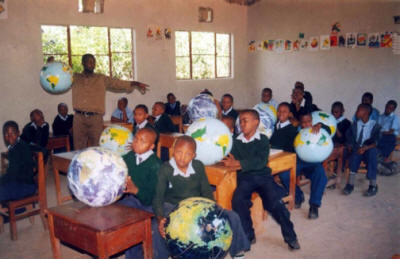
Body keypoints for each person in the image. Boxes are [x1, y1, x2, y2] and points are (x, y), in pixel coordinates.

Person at [153, 136, 251, 259]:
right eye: (179, 152)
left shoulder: (198, 166)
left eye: (187, 154)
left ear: (194, 155)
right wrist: (160, 218)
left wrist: (214, 210)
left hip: (197, 206)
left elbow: (206, 191)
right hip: (173, 206)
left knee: (232, 216)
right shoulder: (166, 168)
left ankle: (238, 252)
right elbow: (158, 197)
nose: (182, 157)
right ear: (173, 151)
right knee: (160, 227)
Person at [222, 109, 300, 250]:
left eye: (245, 120)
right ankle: (248, 235)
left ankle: (291, 236)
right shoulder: (235, 141)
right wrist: (234, 162)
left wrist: (238, 163)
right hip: (244, 178)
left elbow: (261, 161)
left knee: (275, 204)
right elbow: (232, 160)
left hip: (263, 177)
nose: (242, 124)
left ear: (256, 122)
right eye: (240, 121)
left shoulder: (262, 140)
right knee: (238, 200)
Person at [72, 53, 149, 150]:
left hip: (96, 118)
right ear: (83, 63)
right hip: (79, 118)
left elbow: (118, 83)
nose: (92, 64)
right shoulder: (75, 77)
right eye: (89, 62)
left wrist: (135, 83)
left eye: (93, 62)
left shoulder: (101, 78)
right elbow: (60, 77)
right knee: (78, 147)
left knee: (97, 147)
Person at [119, 128, 162, 259]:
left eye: (142, 141)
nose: (137, 143)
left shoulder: (156, 165)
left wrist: (135, 190)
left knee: (133, 225)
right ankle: (113, 247)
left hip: (150, 204)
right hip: (133, 199)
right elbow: (118, 163)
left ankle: (134, 255)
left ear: (151, 147)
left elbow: (152, 198)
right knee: (112, 212)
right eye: (136, 139)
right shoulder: (131, 156)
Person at [282, 112, 329, 219]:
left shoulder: (316, 129)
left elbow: (329, 130)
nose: (307, 125)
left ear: (312, 121)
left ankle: (314, 205)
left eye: (309, 122)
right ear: (300, 123)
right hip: (298, 160)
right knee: (284, 175)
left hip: (313, 161)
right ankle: (298, 196)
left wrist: (321, 125)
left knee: (321, 174)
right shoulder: (295, 131)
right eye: (303, 122)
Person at [343, 103, 381, 197]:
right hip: (357, 148)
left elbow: (377, 141)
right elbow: (349, 138)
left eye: (358, 110)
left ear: (366, 113)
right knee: (354, 156)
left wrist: (366, 148)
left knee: (372, 154)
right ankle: (350, 184)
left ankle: (373, 185)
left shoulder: (375, 125)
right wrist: (350, 146)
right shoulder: (355, 125)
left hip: (369, 148)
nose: (356, 112)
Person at [0, 121, 35, 202]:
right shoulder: (15, 146)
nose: (9, 136)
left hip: (26, 186)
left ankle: (17, 208)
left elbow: (12, 174)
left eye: (12, 133)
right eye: (6, 134)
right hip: (18, 182)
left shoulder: (20, 148)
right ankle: (18, 209)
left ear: (18, 133)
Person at [325, 101, 351, 189]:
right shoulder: (330, 121)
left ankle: (335, 176)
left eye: (336, 112)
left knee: (341, 152)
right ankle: (325, 176)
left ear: (342, 111)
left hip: (342, 146)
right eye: (333, 112)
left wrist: (335, 126)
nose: (334, 114)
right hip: (331, 145)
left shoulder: (347, 123)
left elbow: (344, 138)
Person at [377, 100, 399, 174]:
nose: (388, 109)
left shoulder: (395, 118)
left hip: (389, 136)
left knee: (389, 139)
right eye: (387, 107)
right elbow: (377, 128)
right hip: (380, 135)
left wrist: (381, 133)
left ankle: (382, 158)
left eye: (390, 108)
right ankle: (380, 159)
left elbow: (391, 131)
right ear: (385, 106)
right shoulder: (380, 117)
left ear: (393, 109)